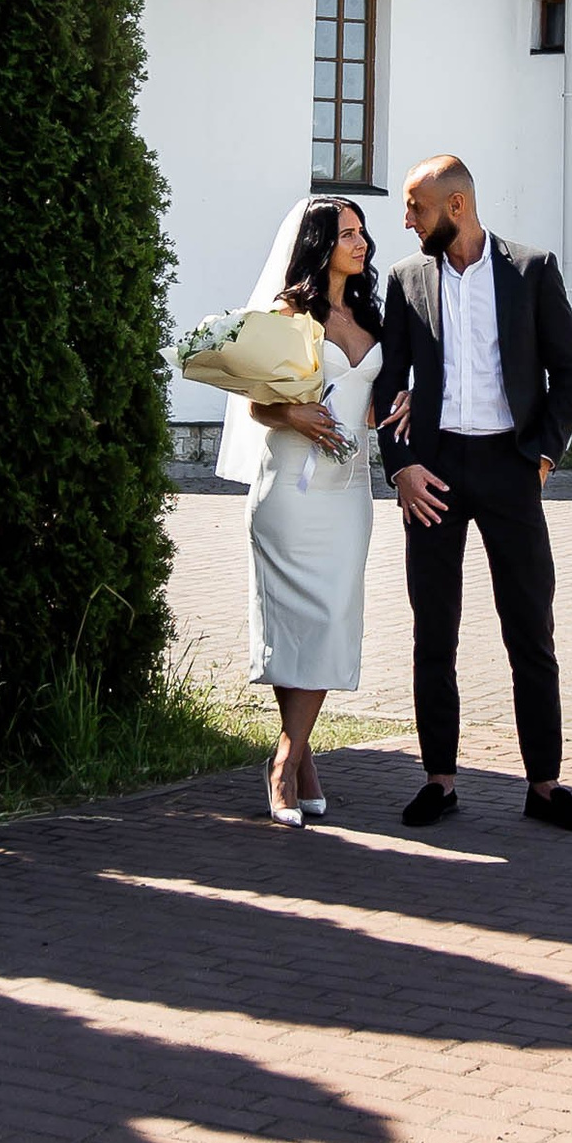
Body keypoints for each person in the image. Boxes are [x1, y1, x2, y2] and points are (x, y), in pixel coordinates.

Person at [374, 153, 572, 835]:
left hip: (510, 467)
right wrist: (400, 466)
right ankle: (439, 779)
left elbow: (570, 370)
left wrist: (544, 457)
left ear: (456, 207)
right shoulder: (407, 278)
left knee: (530, 629)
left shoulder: (532, 270)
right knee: (432, 631)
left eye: (417, 208)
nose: (407, 220)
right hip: (433, 473)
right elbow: (391, 382)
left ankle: (545, 785)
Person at [233, 194, 381, 825]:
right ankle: (287, 763)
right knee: (296, 620)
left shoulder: (374, 314)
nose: (362, 243)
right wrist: (291, 411)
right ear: (321, 244)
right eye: (348, 233)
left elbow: (382, 390)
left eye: (363, 232)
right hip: (290, 487)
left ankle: (299, 757)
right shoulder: (287, 314)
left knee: (331, 616)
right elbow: (255, 404)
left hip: (349, 493)